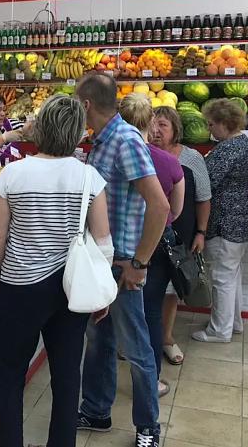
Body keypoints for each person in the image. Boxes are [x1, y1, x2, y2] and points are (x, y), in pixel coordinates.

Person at [0, 95, 112, 447]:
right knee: (66, 374)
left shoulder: (12, 174)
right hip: (71, 288)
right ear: (78, 134)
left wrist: (1, 274)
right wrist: (102, 295)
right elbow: (103, 243)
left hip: (19, 286)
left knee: (10, 372)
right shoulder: (89, 177)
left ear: (40, 128)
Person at [76, 73, 170, 447]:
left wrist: (140, 263)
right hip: (103, 259)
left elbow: (159, 205)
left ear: (86, 104)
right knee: (100, 339)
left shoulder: (125, 140)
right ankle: (96, 410)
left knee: (136, 347)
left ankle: (148, 427)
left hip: (124, 261)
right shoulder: (101, 140)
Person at [119, 94, 184, 398]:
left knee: (121, 312)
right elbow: (175, 210)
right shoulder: (169, 161)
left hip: (124, 245)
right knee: (151, 312)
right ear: (150, 124)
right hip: (156, 244)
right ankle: (151, 380)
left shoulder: (112, 153)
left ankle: (124, 356)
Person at [190, 99, 248, 343]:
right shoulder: (243, 143)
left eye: (211, 124)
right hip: (243, 219)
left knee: (221, 277)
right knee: (232, 274)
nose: (209, 130)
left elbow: (204, 183)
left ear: (225, 123)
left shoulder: (228, 150)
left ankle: (219, 331)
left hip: (226, 223)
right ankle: (233, 323)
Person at [151, 107, 212, 365]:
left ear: (176, 129)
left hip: (180, 235)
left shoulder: (191, 158)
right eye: (152, 125)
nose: (156, 131)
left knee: (171, 288)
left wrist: (201, 232)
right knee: (146, 288)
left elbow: (203, 198)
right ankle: (142, 340)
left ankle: (165, 338)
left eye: (162, 125)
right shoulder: (142, 154)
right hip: (148, 233)